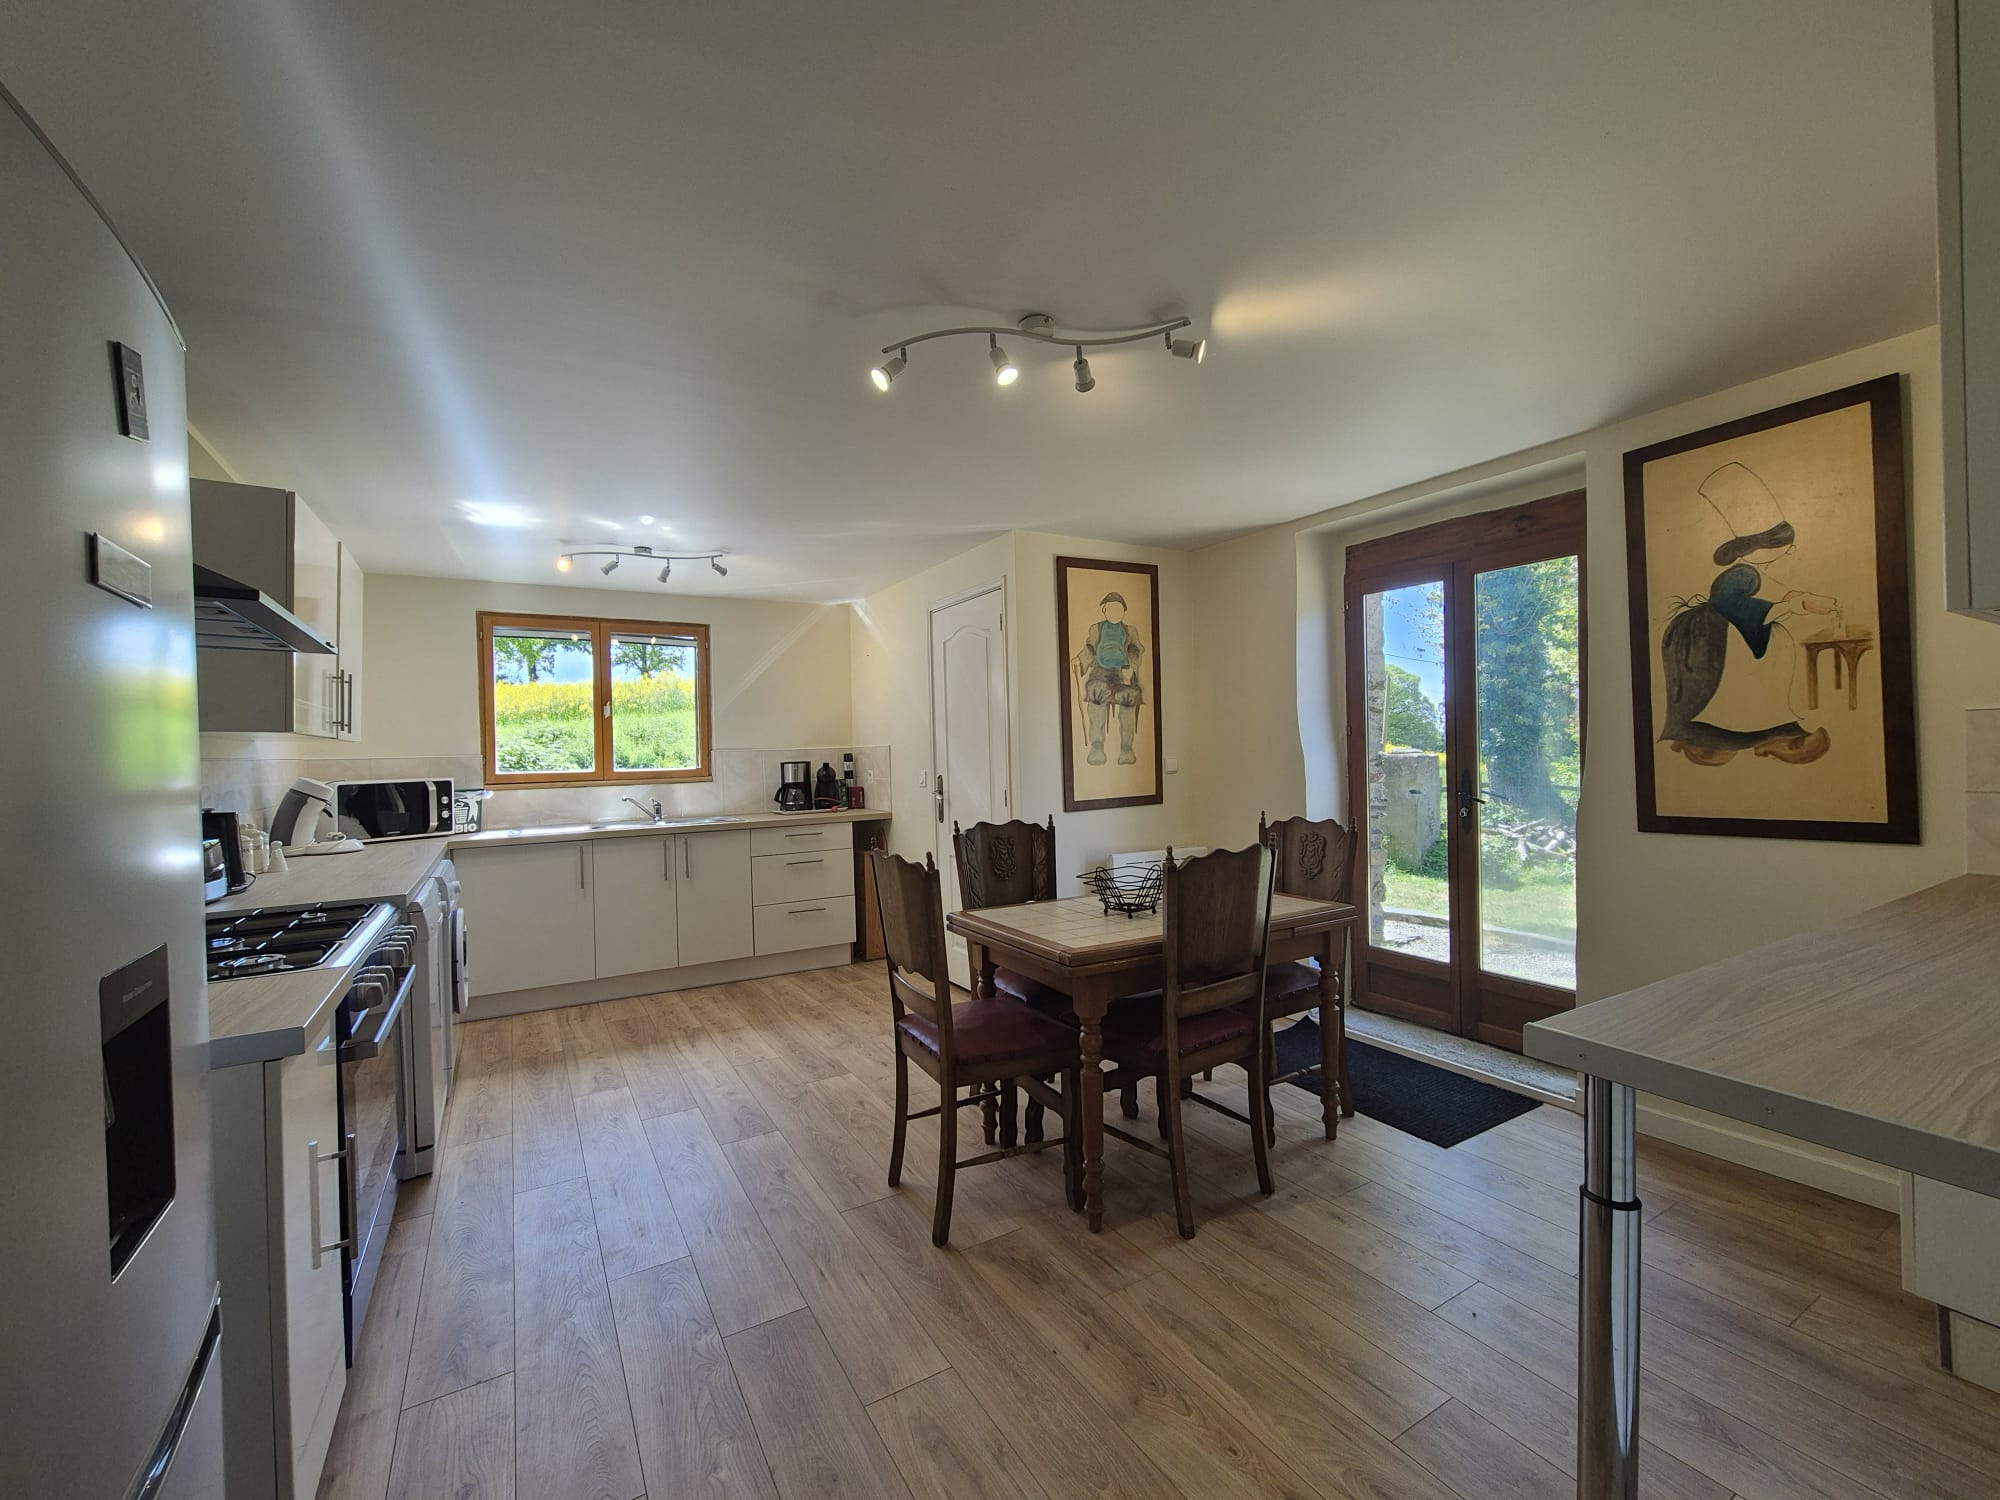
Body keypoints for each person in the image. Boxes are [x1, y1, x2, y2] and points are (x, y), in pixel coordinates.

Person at [1659, 462, 1838, 766]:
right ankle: (1735, 723)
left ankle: (1762, 719)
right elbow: (1729, 604)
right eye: (1782, 546)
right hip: (1722, 637)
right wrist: (1795, 605)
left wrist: (1794, 602)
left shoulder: (1758, 573)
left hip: (1740, 633)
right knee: (1738, 687)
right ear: (1757, 549)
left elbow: (1772, 605)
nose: (1789, 551)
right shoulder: (1744, 574)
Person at [1074, 592, 1145, 766]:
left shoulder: (1130, 631)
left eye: (1118, 609)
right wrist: (1080, 659)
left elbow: (1136, 650)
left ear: (1124, 611)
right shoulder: (1097, 629)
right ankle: (1097, 746)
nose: (1113, 612)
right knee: (1096, 694)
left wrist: (1131, 667)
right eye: (1110, 608)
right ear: (1104, 610)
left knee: (1129, 697)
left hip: (1123, 671)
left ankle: (1126, 748)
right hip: (1100, 671)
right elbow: (1090, 647)